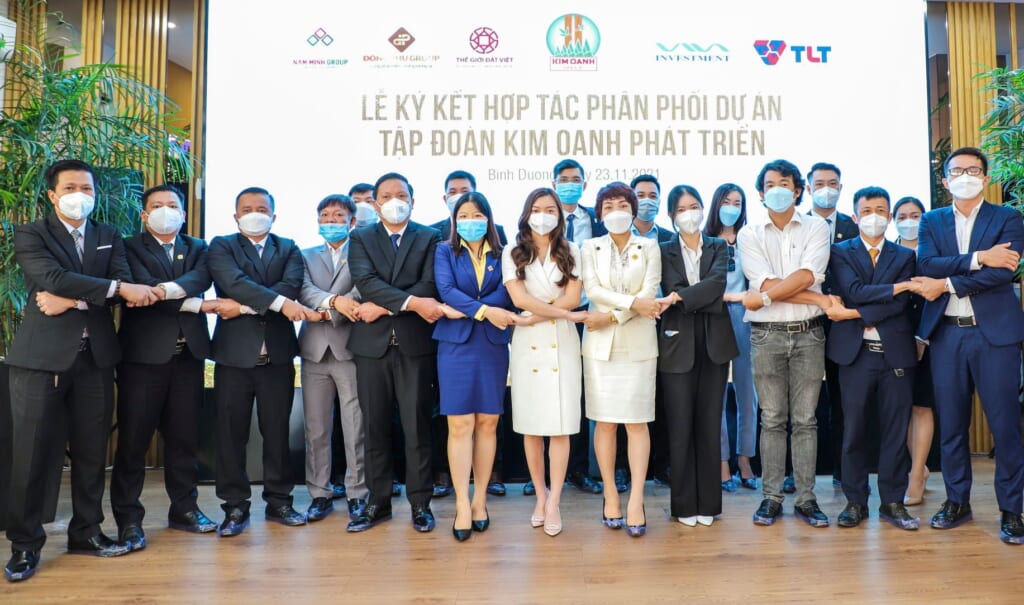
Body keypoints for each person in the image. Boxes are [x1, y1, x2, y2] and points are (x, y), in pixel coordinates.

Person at [5, 159, 157, 582]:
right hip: (41, 360)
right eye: (70, 187)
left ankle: (87, 532)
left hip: (97, 358)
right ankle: (25, 545)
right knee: (32, 456)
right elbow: (51, 277)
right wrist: (112, 289)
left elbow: (120, 289)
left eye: (87, 188)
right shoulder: (31, 233)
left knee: (92, 454)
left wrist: (72, 299)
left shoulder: (109, 235)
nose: (79, 195)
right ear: (52, 195)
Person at [913, 147, 1024, 544]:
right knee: (952, 424)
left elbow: (1002, 273)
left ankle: (1012, 508)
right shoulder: (931, 220)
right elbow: (927, 264)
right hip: (947, 335)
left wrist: (946, 282)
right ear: (945, 181)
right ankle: (957, 501)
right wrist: (980, 257)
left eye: (973, 170)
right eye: (957, 170)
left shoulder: (1008, 217)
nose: (965, 176)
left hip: (995, 336)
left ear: (986, 178)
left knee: (1005, 425)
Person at [110, 185, 220, 552]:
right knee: (133, 442)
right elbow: (135, 289)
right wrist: (189, 301)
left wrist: (162, 291)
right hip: (141, 360)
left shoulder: (199, 247)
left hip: (188, 357)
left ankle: (184, 509)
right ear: (144, 215)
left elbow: (200, 280)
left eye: (172, 205)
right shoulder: (127, 246)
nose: (165, 210)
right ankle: (129, 520)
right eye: (156, 205)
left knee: (183, 439)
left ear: (184, 214)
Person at [206, 186, 315, 537]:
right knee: (230, 434)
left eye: (262, 209)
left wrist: (242, 307)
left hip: (278, 356)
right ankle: (234, 506)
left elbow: (291, 287)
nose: (255, 214)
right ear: (235, 215)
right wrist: (275, 303)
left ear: (274, 215)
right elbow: (233, 282)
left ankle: (280, 501)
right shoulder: (222, 246)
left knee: (277, 432)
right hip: (234, 356)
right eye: (247, 209)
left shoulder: (289, 247)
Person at [346, 172, 444, 533]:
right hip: (370, 346)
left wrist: (385, 306)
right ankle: (378, 502)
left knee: (418, 427)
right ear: (375, 203)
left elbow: (430, 284)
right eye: (386, 196)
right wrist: (409, 302)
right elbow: (365, 282)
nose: (394, 202)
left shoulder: (430, 237)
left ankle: (420, 503)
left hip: (415, 344)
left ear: (413, 201)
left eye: (401, 195)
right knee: (374, 427)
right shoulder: (360, 238)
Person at [738, 159, 832, 528]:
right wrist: (817, 298)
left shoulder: (816, 226)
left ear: (798, 190)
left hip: (809, 333)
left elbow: (808, 275)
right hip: (766, 334)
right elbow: (763, 282)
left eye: (785, 184)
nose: (777, 190)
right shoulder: (749, 233)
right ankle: (771, 497)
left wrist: (766, 296)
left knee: (806, 420)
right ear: (760, 193)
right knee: (773, 419)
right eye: (770, 185)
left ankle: (807, 498)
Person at [825, 186, 919, 530]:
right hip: (855, 354)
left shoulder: (904, 256)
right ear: (855, 216)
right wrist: (895, 287)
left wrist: (856, 312)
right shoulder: (840, 251)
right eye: (866, 211)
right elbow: (853, 290)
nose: (874, 217)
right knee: (854, 431)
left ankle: (893, 502)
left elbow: (899, 306)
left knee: (895, 431)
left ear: (890, 216)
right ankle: (855, 501)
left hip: (896, 353)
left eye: (881, 211)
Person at [502, 187, 588, 536]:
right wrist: (556, 313)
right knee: (531, 426)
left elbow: (574, 297)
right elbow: (518, 297)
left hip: (562, 342)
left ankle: (555, 502)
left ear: (559, 215)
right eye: (537, 209)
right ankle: (540, 495)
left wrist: (536, 316)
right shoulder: (512, 251)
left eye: (550, 209)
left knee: (561, 425)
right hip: (528, 346)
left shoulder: (572, 250)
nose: (543, 215)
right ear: (527, 213)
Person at [580, 182, 663, 537]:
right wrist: (632, 306)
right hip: (600, 348)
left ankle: (637, 499)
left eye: (623, 204)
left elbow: (650, 293)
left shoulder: (650, 246)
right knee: (605, 423)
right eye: (609, 205)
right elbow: (593, 290)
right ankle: (611, 494)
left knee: (636, 423)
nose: (616, 211)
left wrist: (613, 316)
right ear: (600, 214)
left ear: (633, 210)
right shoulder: (589, 246)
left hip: (638, 344)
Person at [433, 192, 517, 541]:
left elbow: (508, 292)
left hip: (492, 345)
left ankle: (480, 499)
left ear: (488, 218)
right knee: (460, 423)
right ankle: (462, 503)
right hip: (456, 345)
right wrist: (483, 311)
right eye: (464, 215)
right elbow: (446, 290)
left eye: (477, 215)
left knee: (488, 422)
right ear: (455, 221)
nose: (471, 220)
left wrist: (481, 308)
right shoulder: (444, 250)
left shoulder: (504, 252)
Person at [658, 184, 737, 527]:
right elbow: (670, 285)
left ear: (704, 209)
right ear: (671, 216)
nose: (689, 214)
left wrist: (680, 299)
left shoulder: (718, 246)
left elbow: (717, 285)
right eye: (681, 209)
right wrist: (691, 296)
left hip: (715, 344)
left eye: (694, 207)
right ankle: (684, 505)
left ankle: (709, 504)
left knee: (709, 425)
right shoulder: (663, 249)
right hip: (676, 345)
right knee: (680, 427)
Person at [296, 194, 368, 522]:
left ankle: (357, 493)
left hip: (350, 348)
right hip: (313, 351)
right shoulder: (304, 255)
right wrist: (335, 303)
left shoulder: (363, 253)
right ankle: (319, 494)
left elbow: (363, 289)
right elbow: (303, 289)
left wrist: (331, 311)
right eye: (325, 215)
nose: (331, 221)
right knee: (316, 428)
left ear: (352, 221)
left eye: (338, 215)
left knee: (355, 426)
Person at [544, 158, 605, 497]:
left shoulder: (596, 220)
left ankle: (578, 469)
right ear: (554, 183)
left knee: (579, 393)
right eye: (564, 179)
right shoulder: (541, 219)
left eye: (575, 179)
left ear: (585, 184)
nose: (570, 184)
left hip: (586, 315)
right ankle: (543, 473)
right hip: (547, 314)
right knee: (547, 391)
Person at [806, 162, 859, 491]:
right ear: (808, 188)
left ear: (840, 187)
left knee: (843, 401)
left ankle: (843, 469)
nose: (827, 189)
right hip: (805, 320)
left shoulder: (854, 227)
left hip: (843, 324)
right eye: (820, 183)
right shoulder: (797, 225)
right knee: (803, 405)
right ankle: (798, 473)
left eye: (833, 183)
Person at [703, 183, 758, 492]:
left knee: (748, 392)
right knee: (716, 395)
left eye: (738, 202)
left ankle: (745, 460)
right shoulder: (704, 239)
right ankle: (722, 462)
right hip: (713, 315)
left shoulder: (751, 238)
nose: (732, 208)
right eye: (726, 201)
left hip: (746, 317)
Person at [630, 174, 673, 489]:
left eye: (652, 195)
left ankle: (662, 465)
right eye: (640, 195)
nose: (647, 200)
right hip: (626, 320)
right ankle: (623, 467)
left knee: (662, 395)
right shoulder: (611, 236)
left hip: (664, 322)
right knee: (627, 397)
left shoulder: (669, 238)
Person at [892, 196, 935, 506]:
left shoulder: (933, 254)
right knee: (900, 408)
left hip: (929, 341)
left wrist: (923, 337)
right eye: (902, 216)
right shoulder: (888, 252)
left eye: (915, 215)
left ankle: (916, 474)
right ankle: (918, 467)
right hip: (892, 341)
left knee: (921, 406)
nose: (909, 221)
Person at [630, 174, 674, 242]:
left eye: (653, 196)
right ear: (631, 201)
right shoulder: (617, 234)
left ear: (658, 203)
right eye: (641, 195)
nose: (647, 200)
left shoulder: (671, 238)